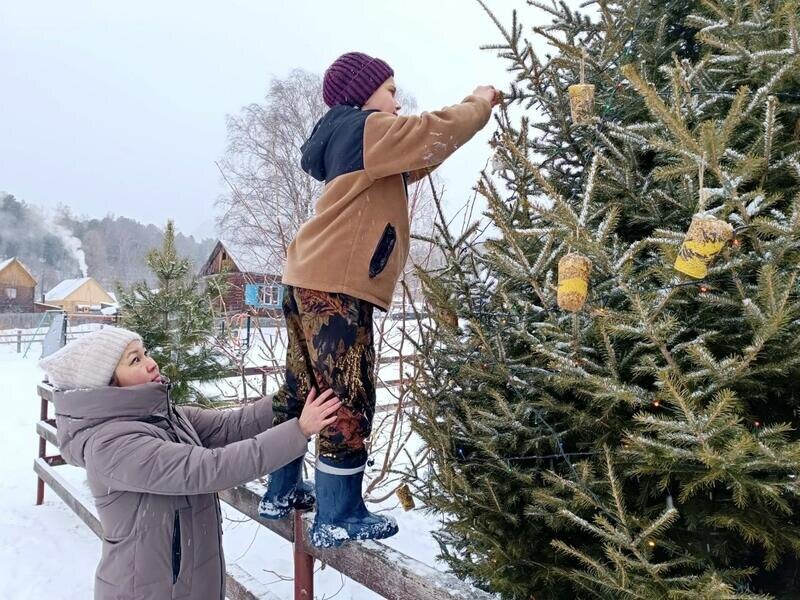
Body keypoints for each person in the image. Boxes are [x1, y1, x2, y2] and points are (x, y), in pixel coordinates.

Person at [259, 50, 499, 548]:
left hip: (304, 274)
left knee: (303, 388)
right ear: (363, 94)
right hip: (336, 282)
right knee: (347, 393)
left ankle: (281, 488)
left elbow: (419, 157)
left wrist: (440, 142)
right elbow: (434, 130)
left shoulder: (350, 140)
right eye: (391, 90)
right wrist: (478, 103)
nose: (397, 100)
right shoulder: (367, 128)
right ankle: (339, 512)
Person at [39, 326, 341, 600]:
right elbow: (210, 469)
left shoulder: (167, 418)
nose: (151, 362)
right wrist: (299, 430)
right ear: (107, 385)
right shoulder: (112, 445)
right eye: (134, 360)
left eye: (145, 353)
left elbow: (231, 425)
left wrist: (288, 399)